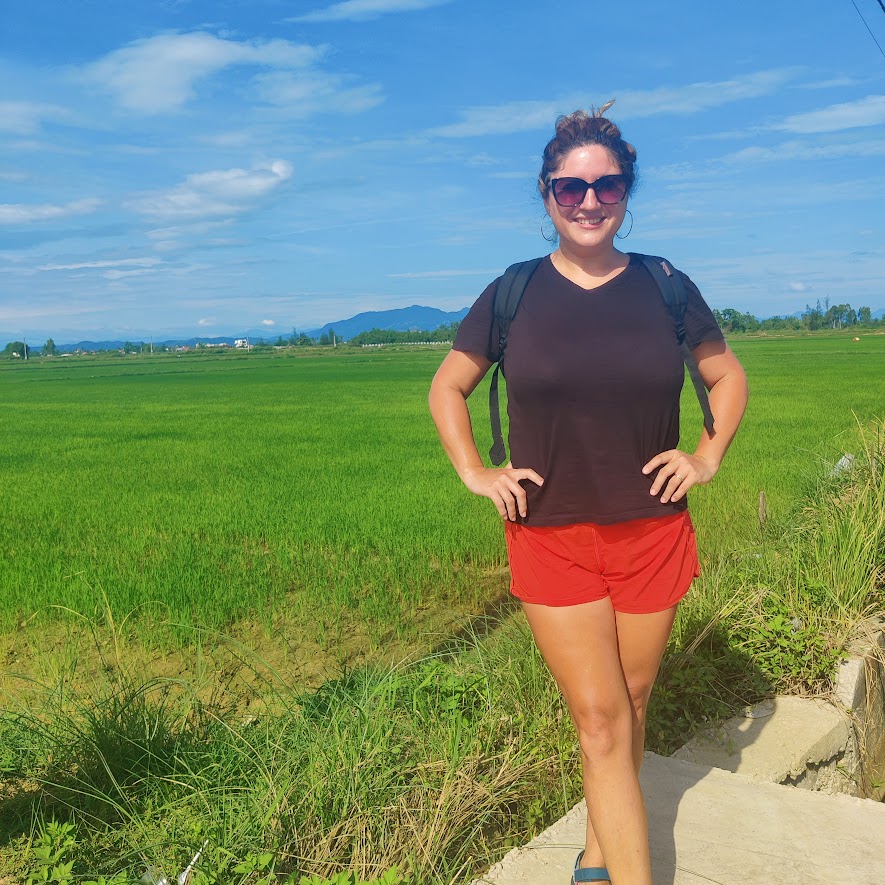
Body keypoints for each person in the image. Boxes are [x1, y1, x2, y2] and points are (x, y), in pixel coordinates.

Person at [428, 102, 748, 885]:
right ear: (546, 197)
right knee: (601, 721)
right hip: (550, 535)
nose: (589, 202)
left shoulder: (665, 286)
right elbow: (448, 386)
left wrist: (705, 456)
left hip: (653, 532)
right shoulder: (512, 294)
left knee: (630, 704)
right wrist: (476, 471)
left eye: (606, 185)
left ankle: (598, 852)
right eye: (570, 189)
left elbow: (725, 373)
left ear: (626, 190)